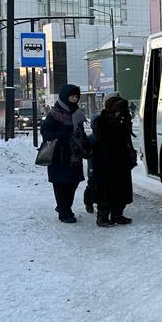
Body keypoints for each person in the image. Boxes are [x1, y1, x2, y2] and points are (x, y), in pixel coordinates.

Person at [41, 84, 91, 223]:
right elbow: (45, 131)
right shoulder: (54, 114)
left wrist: (86, 146)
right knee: (61, 184)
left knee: (72, 183)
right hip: (59, 155)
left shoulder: (77, 113)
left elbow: (81, 133)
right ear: (65, 96)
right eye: (72, 96)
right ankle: (64, 211)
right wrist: (60, 137)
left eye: (76, 96)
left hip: (74, 155)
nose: (74, 99)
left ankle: (64, 207)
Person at [92, 94, 136, 227]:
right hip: (105, 161)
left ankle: (118, 214)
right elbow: (102, 138)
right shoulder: (103, 121)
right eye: (118, 111)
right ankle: (103, 216)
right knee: (106, 189)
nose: (119, 113)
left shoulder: (123, 120)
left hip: (121, 160)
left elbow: (126, 140)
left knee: (121, 188)